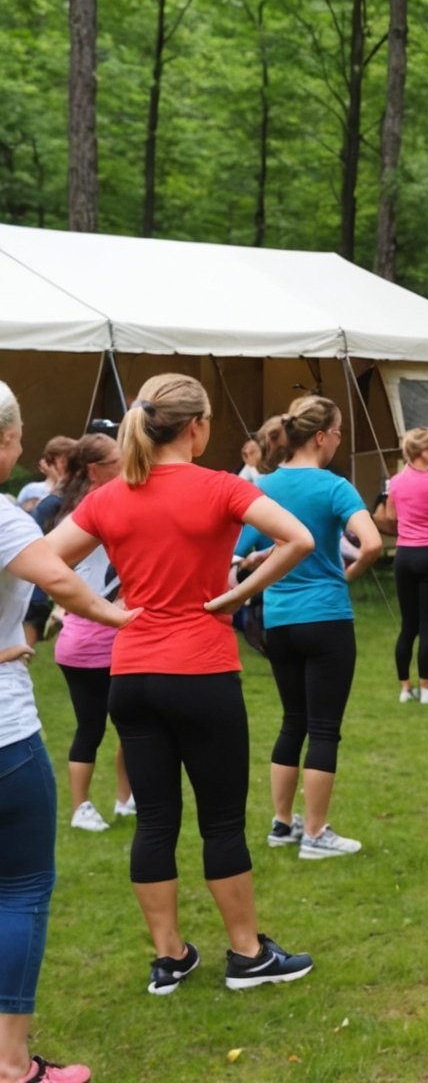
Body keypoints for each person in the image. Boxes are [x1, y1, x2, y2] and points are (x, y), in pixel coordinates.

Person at [47, 373, 319, 994]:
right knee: (220, 821)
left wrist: (108, 613)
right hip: (200, 671)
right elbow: (298, 538)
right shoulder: (219, 487)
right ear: (196, 427)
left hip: (133, 675)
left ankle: (169, 957)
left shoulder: (112, 496)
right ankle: (248, 956)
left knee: (154, 822)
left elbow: (47, 560)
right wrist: (234, 595)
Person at [0, 384, 139, 1083]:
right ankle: (13, 1064)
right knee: (20, 888)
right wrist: (131, 619)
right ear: (7, 443)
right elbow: (69, 586)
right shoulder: (6, 519)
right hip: (4, 738)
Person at [242, 395, 382, 860]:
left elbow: (241, 552)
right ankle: (316, 833)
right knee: (324, 729)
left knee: (292, 721)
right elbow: (373, 543)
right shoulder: (334, 487)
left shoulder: (262, 486)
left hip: (278, 620)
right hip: (325, 617)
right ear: (321, 437)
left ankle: (282, 824)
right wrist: (343, 577)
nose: (339, 441)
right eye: (339, 432)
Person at [46, 435, 134, 832]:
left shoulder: (101, 505)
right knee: (92, 726)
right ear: (96, 470)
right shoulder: (88, 512)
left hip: (109, 636)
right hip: (89, 640)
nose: (125, 464)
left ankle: (125, 800)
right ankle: (81, 807)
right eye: (117, 461)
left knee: (129, 722)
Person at [381, 428, 428, 704]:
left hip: (405, 555)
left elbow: (390, 515)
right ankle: (426, 689)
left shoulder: (396, 482)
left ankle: (404, 688)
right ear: (425, 452)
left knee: (407, 625)